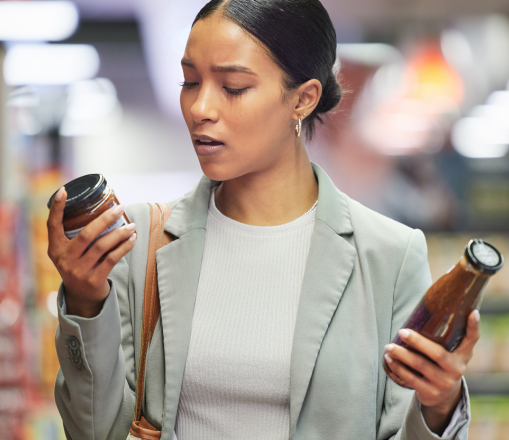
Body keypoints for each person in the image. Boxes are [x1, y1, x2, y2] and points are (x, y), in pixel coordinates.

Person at [47, 0, 479, 439]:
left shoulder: (389, 256)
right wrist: (85, 304)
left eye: (233, 87)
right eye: (190, 81)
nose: (200, 108)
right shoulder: (141, 245)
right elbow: (94, 431)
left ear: (303, 99)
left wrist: (439, 405)